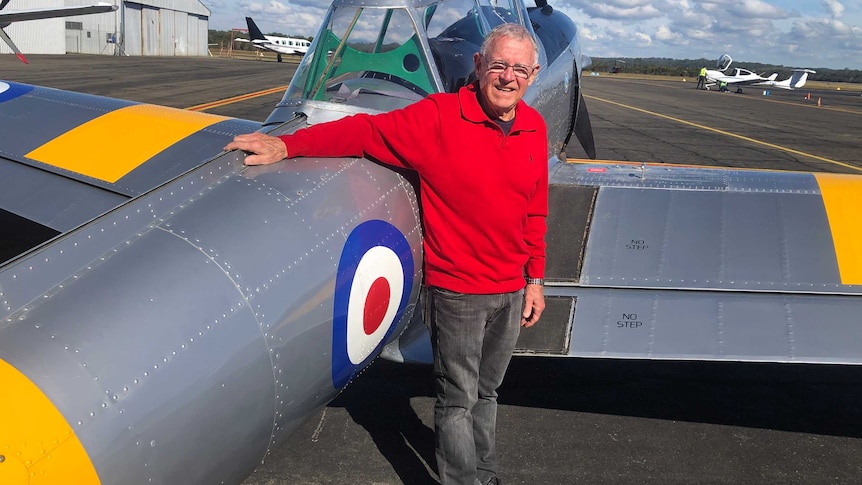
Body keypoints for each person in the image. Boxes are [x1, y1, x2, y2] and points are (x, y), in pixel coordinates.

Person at [225, 23, 548, 485]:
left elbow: (535, 208)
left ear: (532, 74)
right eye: (498, 65)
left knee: (488, 392)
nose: (507, 77)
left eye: (518, 69)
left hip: (511, 289)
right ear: (479, 66)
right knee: (458, 399)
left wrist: (534, 279)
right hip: (458, 292)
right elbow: (363, 132)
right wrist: (288, 144)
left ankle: (486, 473)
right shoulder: (439, 117)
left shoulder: (533, 127)